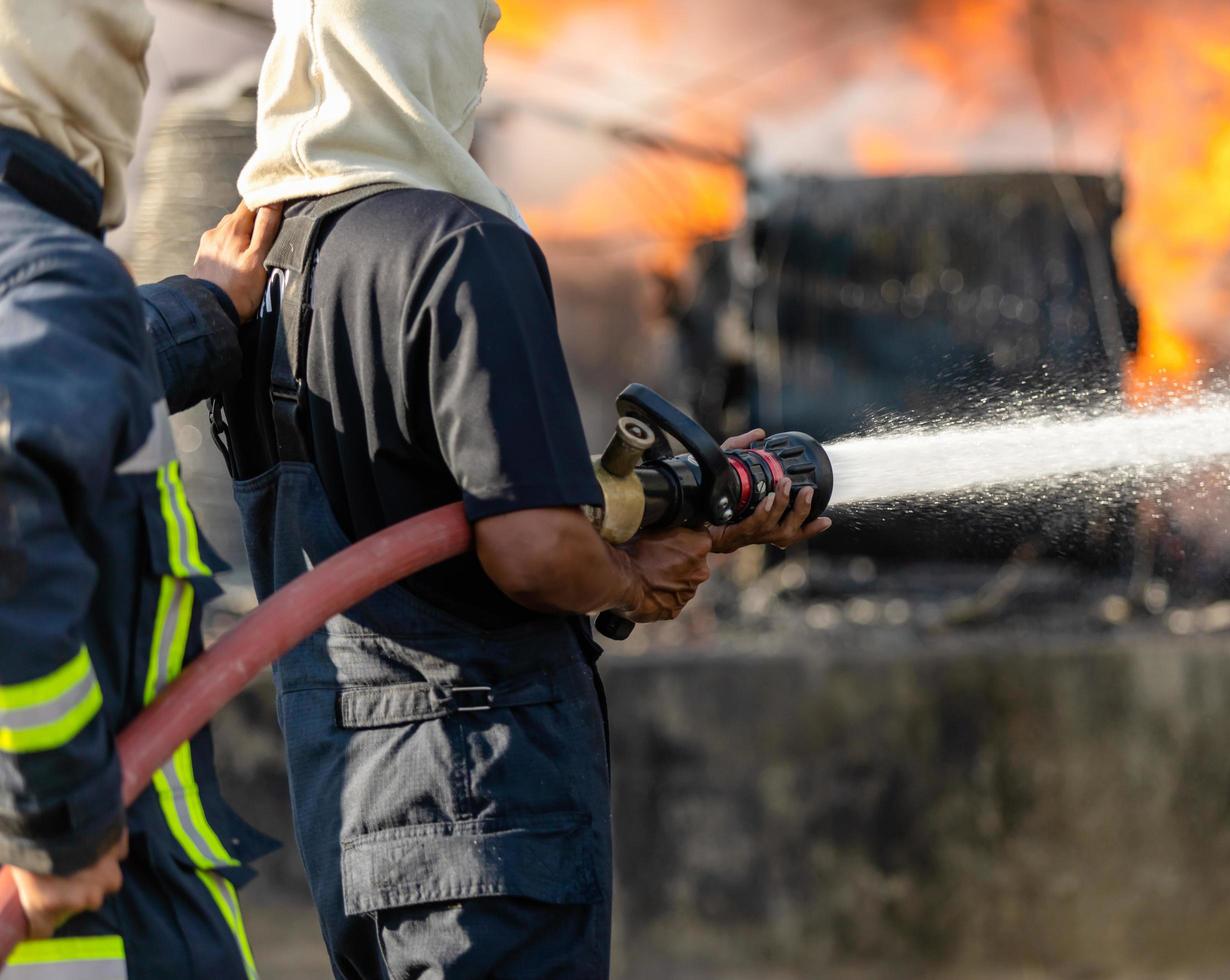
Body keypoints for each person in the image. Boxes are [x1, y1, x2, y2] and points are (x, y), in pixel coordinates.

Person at [210, 0, 830, 976]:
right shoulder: (460, 247)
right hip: (488, 815)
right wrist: (628, 582)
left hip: (352, 815)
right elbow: (533, 546)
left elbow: (430, 504)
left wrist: (636, 525)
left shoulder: (252, 273)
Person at [0, 1, 283, 975]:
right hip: (84, 916)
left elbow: (60, 394)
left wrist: (202, 313)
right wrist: (58, 817)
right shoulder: (49, 274)